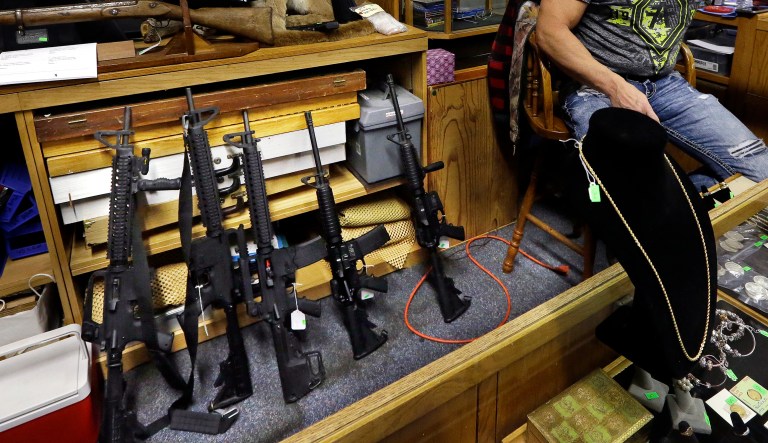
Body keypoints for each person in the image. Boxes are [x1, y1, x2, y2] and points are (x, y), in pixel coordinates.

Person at [535, 0, 768, 188]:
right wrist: (615, 86)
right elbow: (549, 31)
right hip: (596, 87)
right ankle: (656, 208)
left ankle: (679, 207)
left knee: (762, 174)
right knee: (625, 184)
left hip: (667, 85)